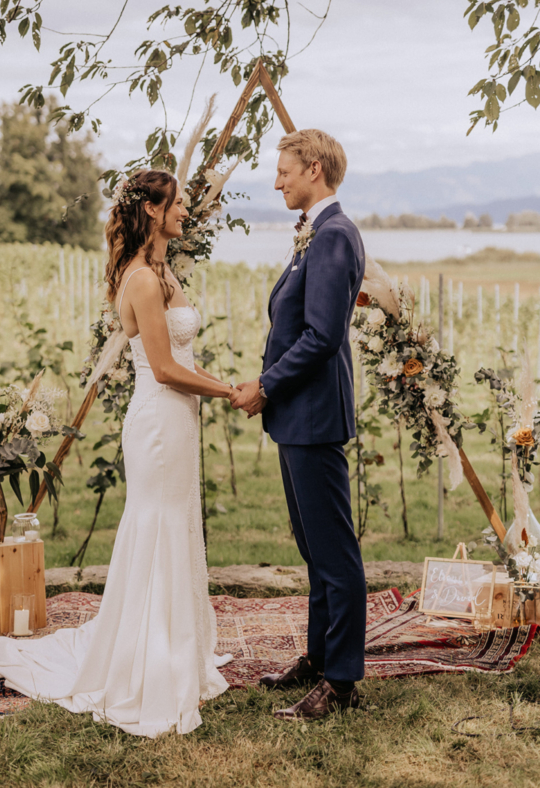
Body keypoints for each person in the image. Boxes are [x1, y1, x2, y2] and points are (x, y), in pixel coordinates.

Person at [0, 169, 238, 737]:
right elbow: (167, 369)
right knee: (158, 524)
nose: (185, 212)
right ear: (152, 209)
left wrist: (229, 383)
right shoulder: (144, 281)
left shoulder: (164, 269)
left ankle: (177, 648)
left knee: (177, 522)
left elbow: (184, 359)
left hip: (178, 421)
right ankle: (151, 660)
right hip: (157, 422)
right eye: (177, 204)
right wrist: (228, 393)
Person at [231, 129, 367, 722]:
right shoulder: (315, 235)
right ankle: (317, 656)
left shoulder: (334, 236)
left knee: (335, 554)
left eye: (284, 171)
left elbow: (321, 336)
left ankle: (340, 683)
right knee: (313, 547)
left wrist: (266, 385)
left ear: (313, 169)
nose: (277, 180)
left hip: (312, 416)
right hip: (298, 418)